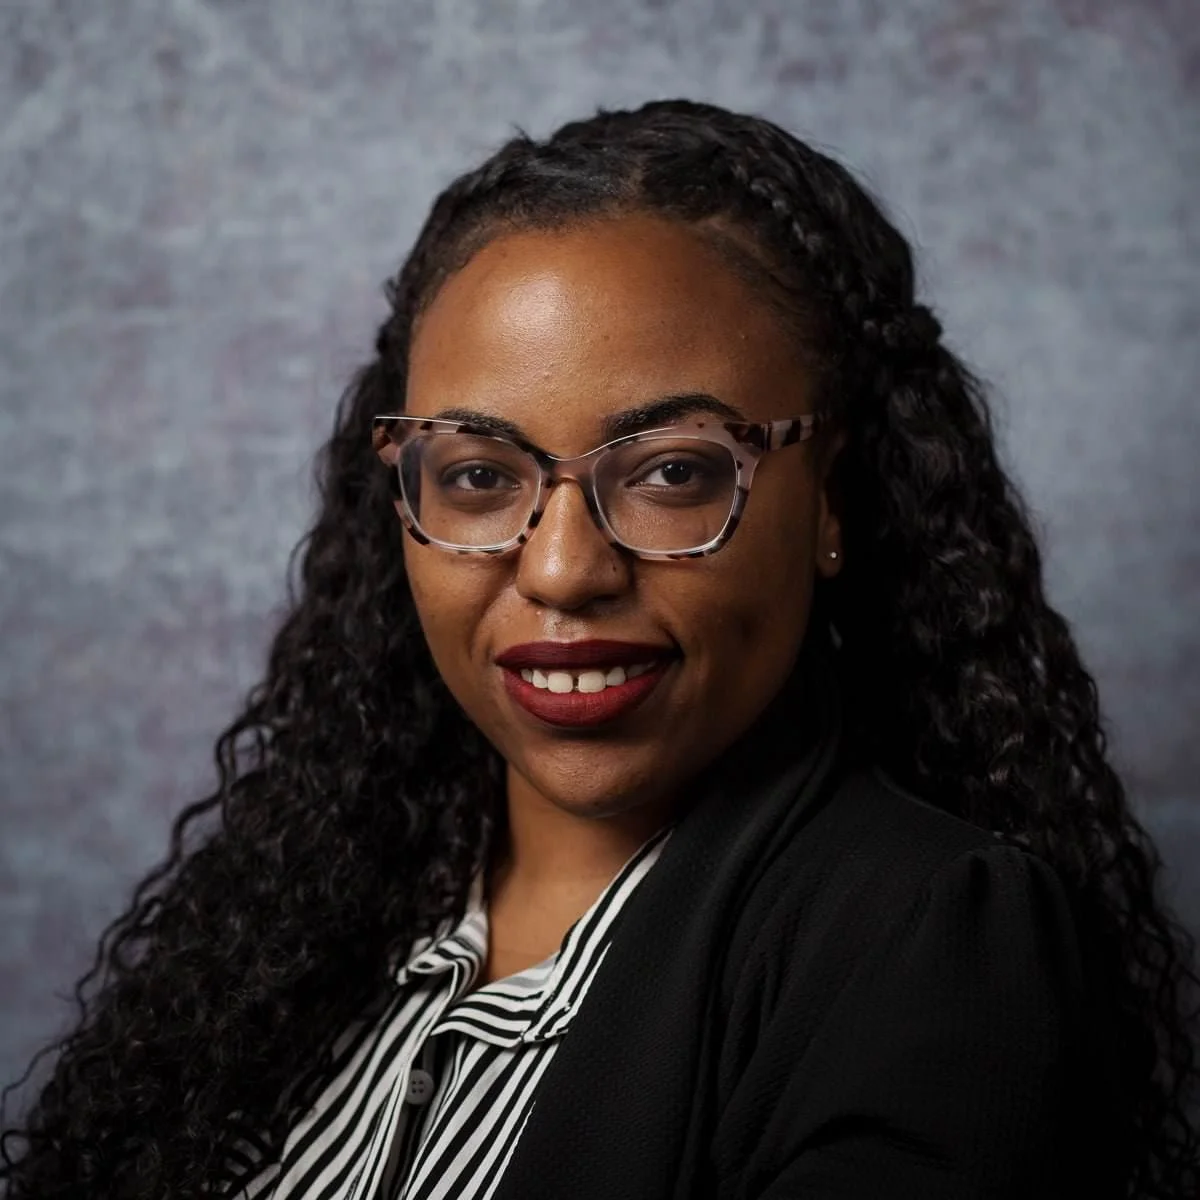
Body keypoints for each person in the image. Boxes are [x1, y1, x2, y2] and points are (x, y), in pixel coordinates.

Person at [2, 98, 1197, 1200]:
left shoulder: (932, 946)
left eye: (674, 472)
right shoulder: (296, 922)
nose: (565, 569)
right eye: (478, 475)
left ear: (833, 499)